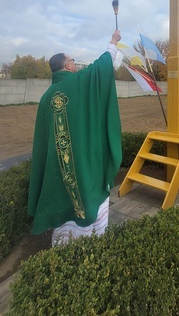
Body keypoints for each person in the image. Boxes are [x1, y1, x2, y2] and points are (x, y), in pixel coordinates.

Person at [28, 30, 122, 246]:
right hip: (81, 164)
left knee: (63, 201)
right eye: (72, 60)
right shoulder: (76, 83)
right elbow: (102, 66)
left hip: (58, 170)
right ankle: (90, 238)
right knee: (87, 195)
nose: (75, 63)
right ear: (67, 66)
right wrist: (114, 41)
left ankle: (62, 244)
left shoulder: (46, 98)